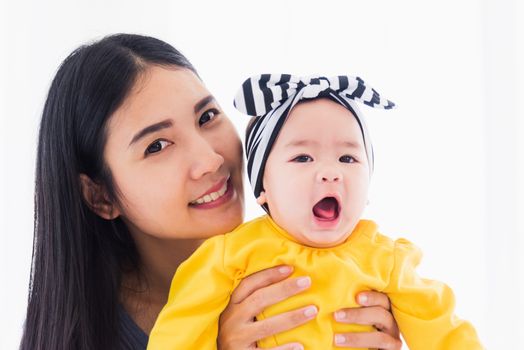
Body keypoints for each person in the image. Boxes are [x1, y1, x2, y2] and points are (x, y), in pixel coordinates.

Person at [20, 34, 403, 350]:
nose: (210, 159)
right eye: (157, 146)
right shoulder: (88, 336)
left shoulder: (291, 258)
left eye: (207, 117)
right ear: (100, 196)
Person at [148, 75, 483, 349]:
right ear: (263, 187)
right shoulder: (229, 256)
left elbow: (445, 332)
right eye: (303, 158)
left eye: (348, 159)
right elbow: (179, 334)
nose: (330, 172)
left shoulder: (385, 259)